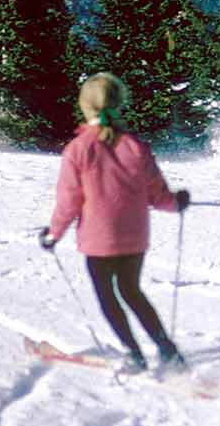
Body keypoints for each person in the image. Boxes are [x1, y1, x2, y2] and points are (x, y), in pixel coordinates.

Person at [40, 73, 189, 372]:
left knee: (109, 298)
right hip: (134, 239)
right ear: (119, 104)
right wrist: (177, 202)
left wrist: (54, 234)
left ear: (85, 107)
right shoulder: (136, 146)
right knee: (132, 292)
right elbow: (157, 194)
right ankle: (168, 351)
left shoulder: (79, 149)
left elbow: (69, 200)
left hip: (99, 241)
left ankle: (135, 355)